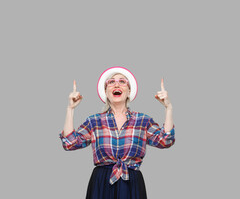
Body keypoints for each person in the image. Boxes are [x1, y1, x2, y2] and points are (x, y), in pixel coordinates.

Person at [59, 66, 175, 199]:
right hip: (101, 182)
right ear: (105, 92)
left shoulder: (143, 120)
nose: (116, 84)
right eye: (111, 82)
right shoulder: (94, 121)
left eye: (122, 81)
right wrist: (70, 109)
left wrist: (168, 107)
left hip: (132, 183)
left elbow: (166, 141)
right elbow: (69, 143)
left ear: (129, 91)